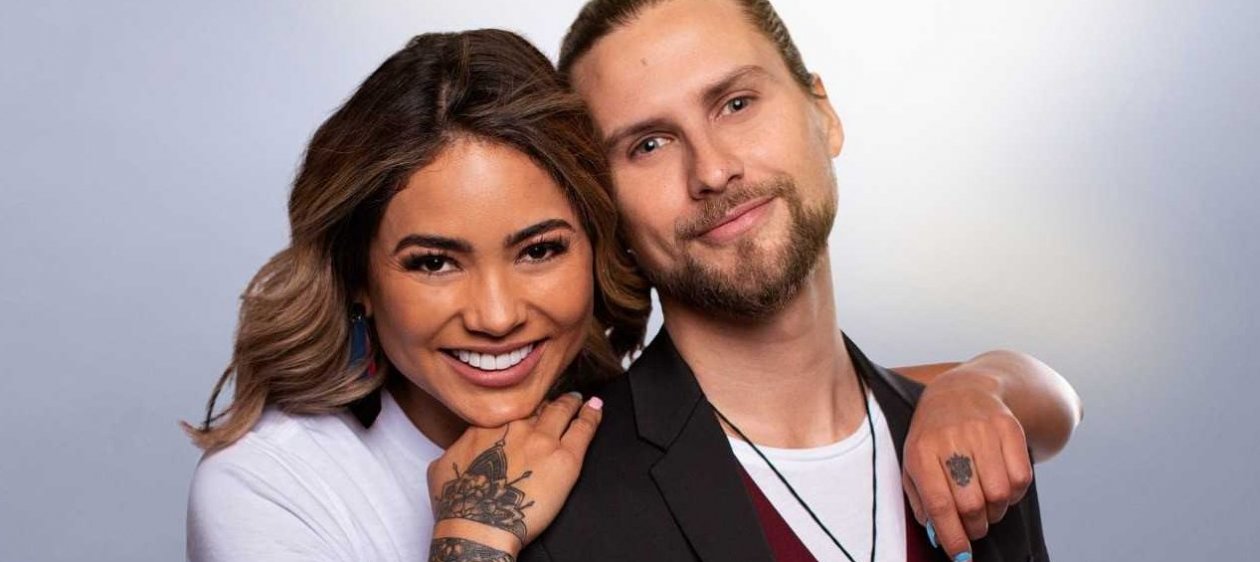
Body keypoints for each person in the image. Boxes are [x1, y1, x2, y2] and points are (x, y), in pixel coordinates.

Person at [185, 26, 1078, 562]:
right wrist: (473, 539)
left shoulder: (594, 414)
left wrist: (989, 382)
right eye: (433, 263)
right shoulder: (276, 486)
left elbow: (851, 412)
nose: (496, 314)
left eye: (540, 250)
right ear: (359, 281)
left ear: (596, 243)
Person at [520, 1, 1083, 561]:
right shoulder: (552, 504)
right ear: (607, 207)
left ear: (824, 113)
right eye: (648, 145)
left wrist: (986, 384)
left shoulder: (979, 440)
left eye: (736, 104)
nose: (712, 171)